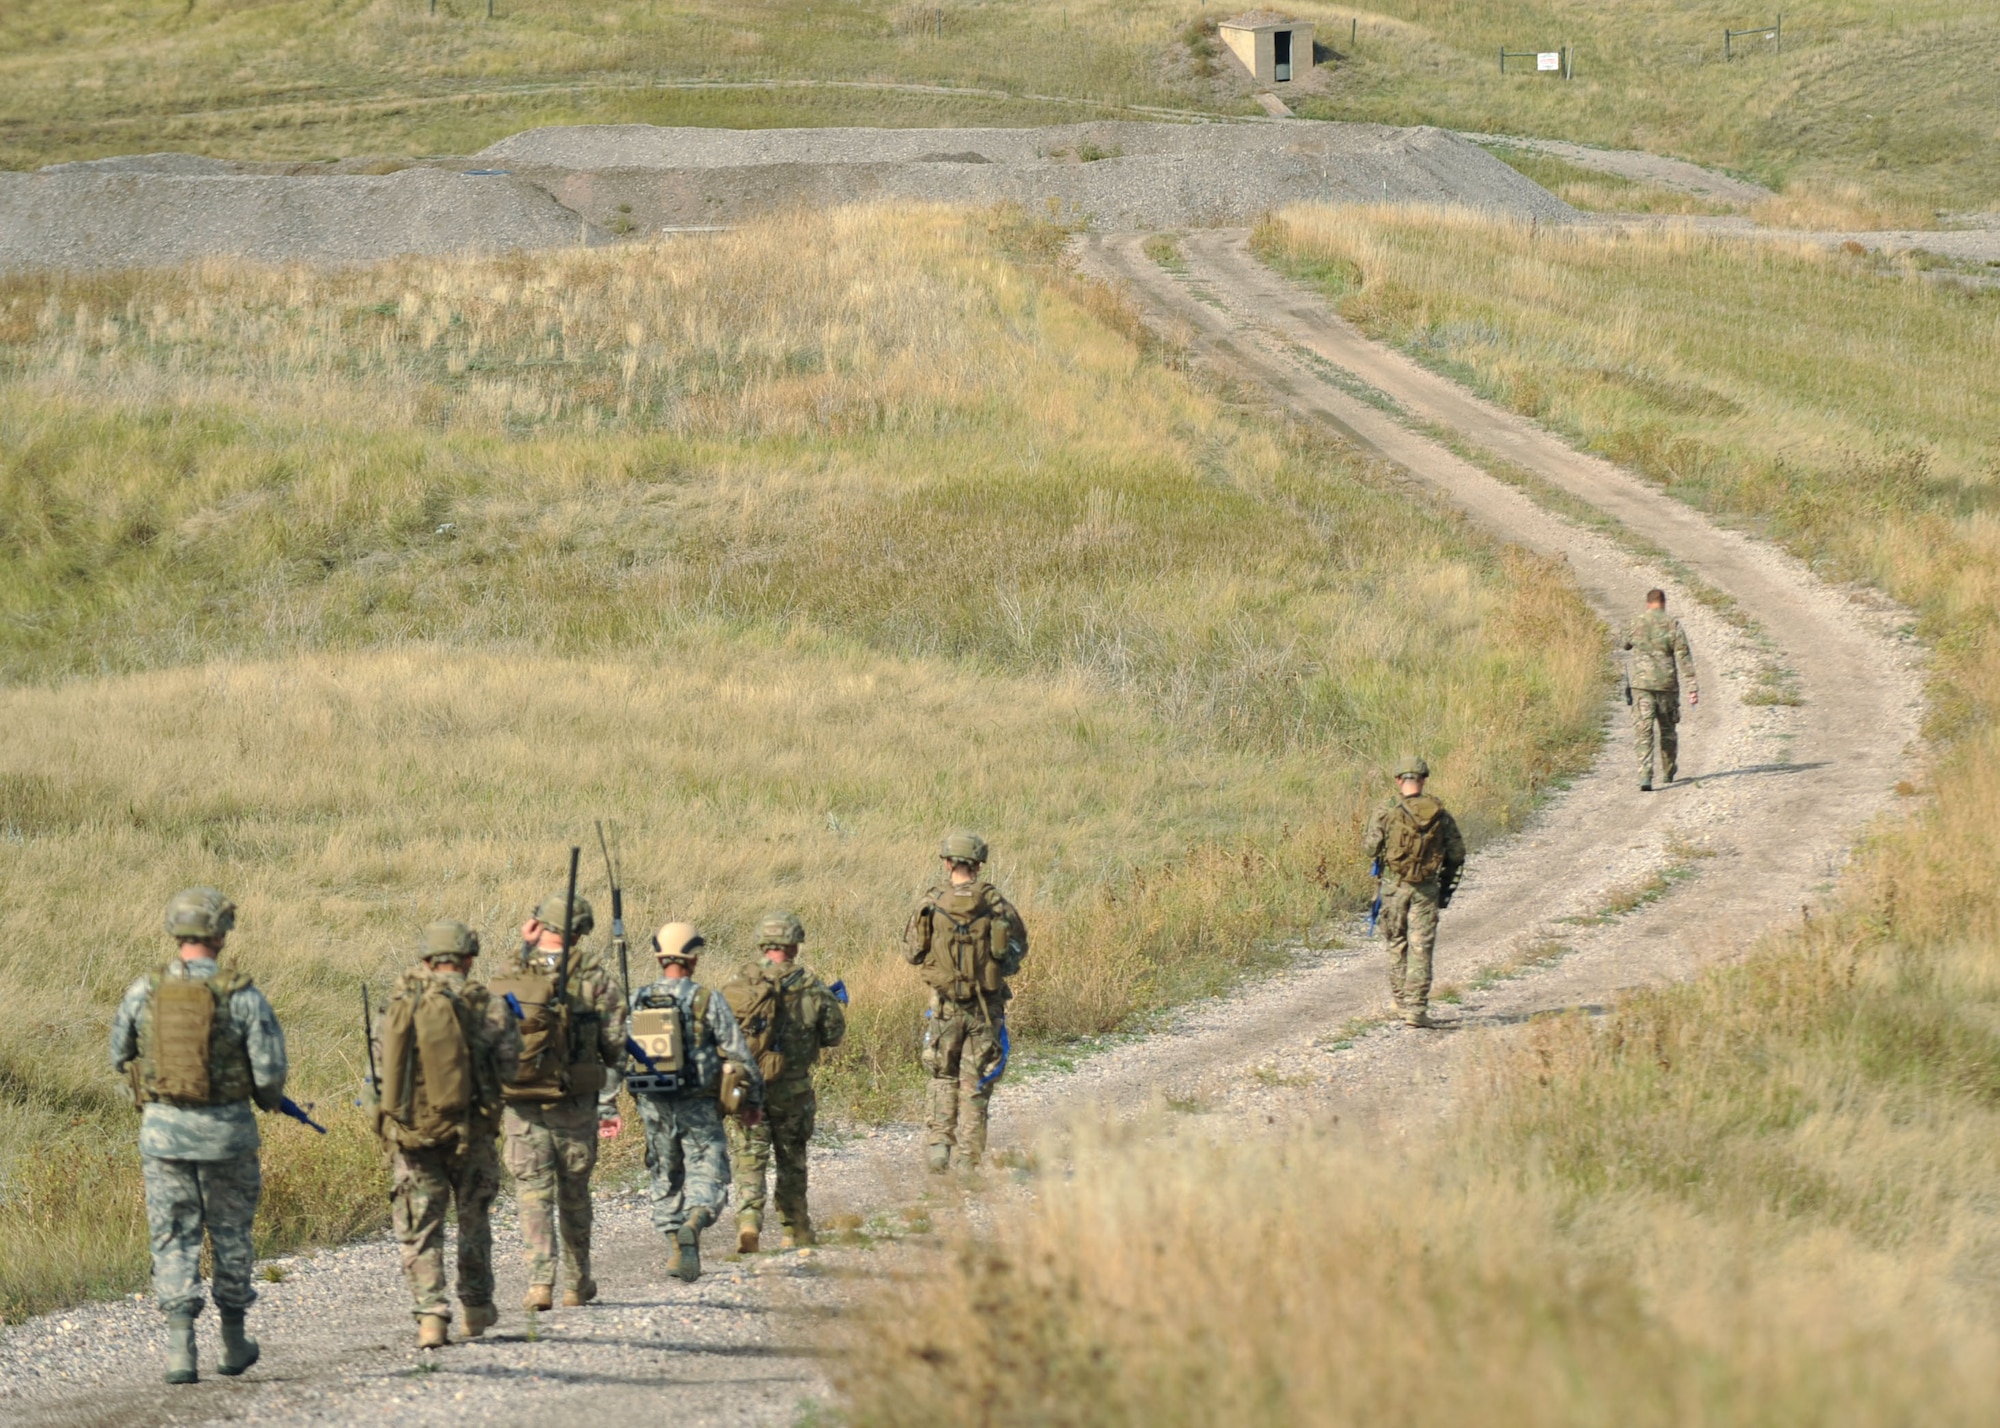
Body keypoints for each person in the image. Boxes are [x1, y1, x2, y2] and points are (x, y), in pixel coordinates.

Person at [110, 887, 288, 1385]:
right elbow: (270, 1073)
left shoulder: (143, 990)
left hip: (163, 1137)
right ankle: (233, 1343)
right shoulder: (243, 995)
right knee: (231, 1234)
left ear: (176, 930)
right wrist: (264, 1098)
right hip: (227, 1137)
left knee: (172, 1235)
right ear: (220, 932)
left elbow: (117, 1053)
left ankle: (179, 1352)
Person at [372, 920, 520, 1348]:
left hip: (414, 1135)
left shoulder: (398, 1006)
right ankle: (475, 1308)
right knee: (474, 1219)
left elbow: (379, 1075)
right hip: (472, 1134)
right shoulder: (488, 1006)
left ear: (426, 960)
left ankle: (431, 1318)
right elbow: (511, 1069)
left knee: (421, 1225)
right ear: (469, 959)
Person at [488, 892, 627, 1312]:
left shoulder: (513, 972)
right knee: (574, 1193)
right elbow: (616, 1044)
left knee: (532, 1193)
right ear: (582, 931)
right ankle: (577, 1282)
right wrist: (607, 1099)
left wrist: (522, 947)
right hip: (576, 1103)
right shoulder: (595, 979)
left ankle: (539, 1285)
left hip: (521, 1105)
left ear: (540, 926)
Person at [625, 922, 764, 1282]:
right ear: (693, 959)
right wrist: (754, 1099)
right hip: (698, 1103)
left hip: (653, 1102)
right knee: (709, 1171)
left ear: (660, 957)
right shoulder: (706, 999)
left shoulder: (637, 999)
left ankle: (676, 1248)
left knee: (664, 1173)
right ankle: (695, 1221)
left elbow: (617, 1052)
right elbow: (740, 1053)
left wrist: (608, 1105)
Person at [903, 832, 1028, 1174]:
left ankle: (940, 1147)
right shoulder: (995, 903)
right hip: (985, 1010)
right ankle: (968, 1164)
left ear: (947, 863)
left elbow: (912, 953)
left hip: (944, 1008)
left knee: (943, 1075)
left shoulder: (930, 903)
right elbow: (1016, 951)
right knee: (976, 1084)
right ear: (978, 865)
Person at [722, 911, 847, 1253]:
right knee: (792, 1160)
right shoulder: (812, 989)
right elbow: (834, 1035)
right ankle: (795, 1229)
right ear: (794, 946)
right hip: (793, 1091)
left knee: (749, 1157)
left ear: (763, 944)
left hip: (746, 1089)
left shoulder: (738, 986)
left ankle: (748, 1222)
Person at [1363, 758, 1466, 1028]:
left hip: (1394, 887)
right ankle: (1417, 1010)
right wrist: (1444, 883)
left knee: (1397, 943)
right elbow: (1457, 853)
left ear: (1399, 780)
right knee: (1421, 947)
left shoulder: (1387, 810)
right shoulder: (1439, 813)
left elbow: (1369, 848)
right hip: (1426, 888)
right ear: (1423, 779)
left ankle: (1400, 1001)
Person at [1624, 587, 1699, 791]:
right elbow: (1683, 656)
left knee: (1644, 730)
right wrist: (1692, 687)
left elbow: (1625, 644)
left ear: (1648, 603)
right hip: (1667, 686)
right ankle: (1668, 771)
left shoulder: (1635, 622)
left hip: (1642, 686)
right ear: (1664, 603)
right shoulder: (1672, 624)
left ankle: (1645, 775)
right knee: (1667, 731)